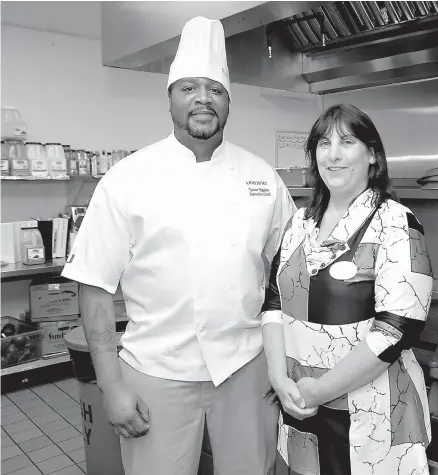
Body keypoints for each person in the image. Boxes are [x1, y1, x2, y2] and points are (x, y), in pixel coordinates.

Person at [61, 16, 295, 475]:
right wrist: (111, 386)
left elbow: (289, 277)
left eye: (215, 89)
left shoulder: (263, 178)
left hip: (247, 372)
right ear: (169, 96)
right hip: (154, 375)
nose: (203, 99)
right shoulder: (127, 179)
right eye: (189, 87)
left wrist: (284, 363)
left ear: (229, 101)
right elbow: (94, 287)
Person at [261, 104, 433, 475]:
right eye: (324, 143)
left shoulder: (395, 222)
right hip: (300, 405)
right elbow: (274, 301)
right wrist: (278, 377)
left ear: (372, 155)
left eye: (347, 141)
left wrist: (319, 391)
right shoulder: (299, 223)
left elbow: (397, 327)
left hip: (372, 412)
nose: (333, 154)